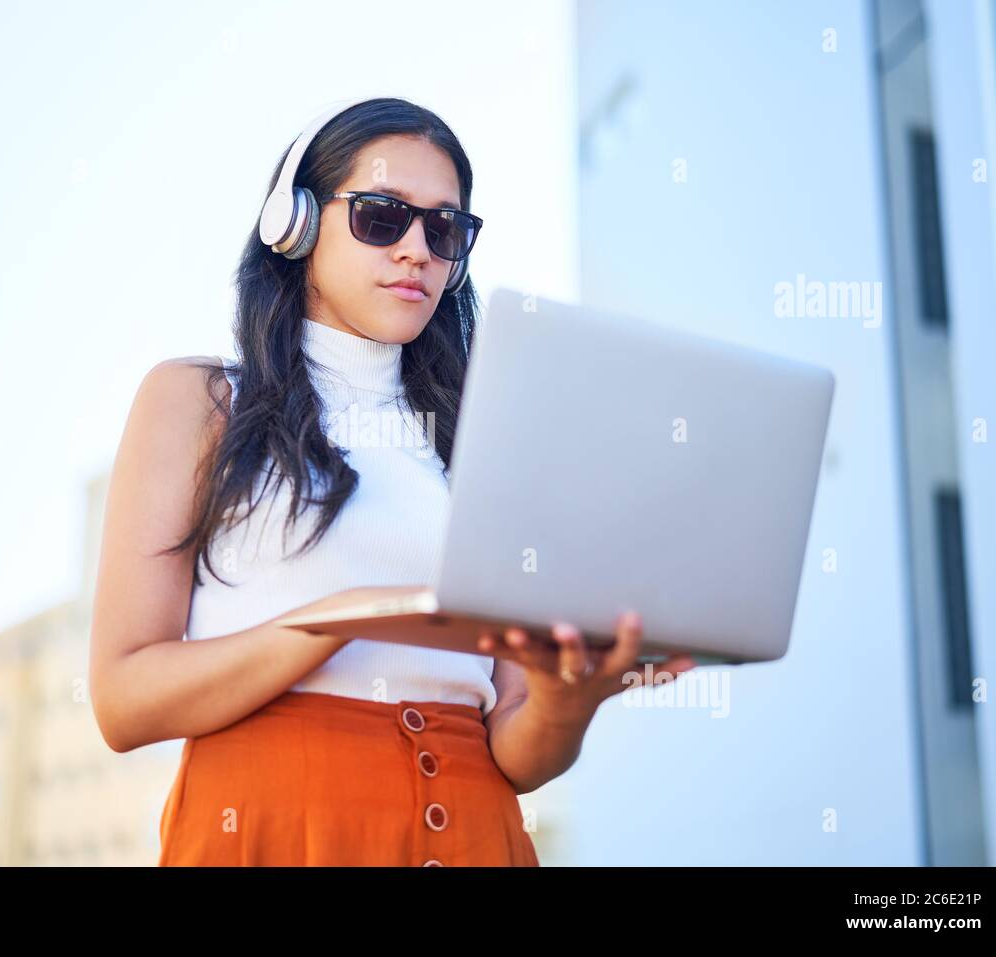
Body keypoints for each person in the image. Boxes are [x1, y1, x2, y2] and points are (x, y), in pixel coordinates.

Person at [88, 96, 696, 866]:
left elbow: (518, 752)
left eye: (445, 229)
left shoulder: (490, 441)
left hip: (479, 831)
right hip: (274, 830)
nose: (417, 250)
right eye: (383, 216)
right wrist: (337, 618)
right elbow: (123, 700)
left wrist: (564, 701)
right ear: (295, 225)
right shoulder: (200, 401)